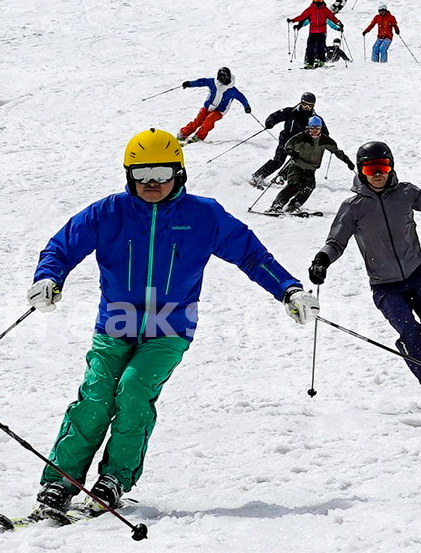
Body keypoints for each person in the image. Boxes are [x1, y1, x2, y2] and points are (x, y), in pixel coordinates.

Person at [25, 131, 311, 513]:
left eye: (162, 172)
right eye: (142, 174)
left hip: (170, 328)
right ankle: (62, 480)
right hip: (115, 324)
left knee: (133, 390)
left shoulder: (203, 215)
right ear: (129, 176)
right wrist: (48, 277)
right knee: (96, 395)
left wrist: (288, 290)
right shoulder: (108, 213)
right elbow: (61, 247)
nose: (152, 183)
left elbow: (251, 255)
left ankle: (115, 477)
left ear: (180, 172)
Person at [308, 142, 421, 412]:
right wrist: (322, 260)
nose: (377, 173)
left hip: (419, 274)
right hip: (385, 287)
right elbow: (336, 242)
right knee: (409, 333)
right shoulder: (353, 207)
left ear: (391, 167)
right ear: (361, 170)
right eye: (370, 168)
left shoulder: (406, 193)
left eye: (382, 167)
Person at [266, 116, 354, 216]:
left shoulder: (325, 140)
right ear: (308, 128)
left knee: (309, 187)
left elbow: (337, 151)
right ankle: (276, 206)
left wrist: (347, 161)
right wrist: (292, 153)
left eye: (317, 128)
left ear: (321, 129)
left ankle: (294, 206)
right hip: (296, 165)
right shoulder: (301, 137)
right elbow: (288, 145)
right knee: (294, 186)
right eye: (312, 128)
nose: (314, 131)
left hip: (310, 168)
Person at [251, 90, 330, 185]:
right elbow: (277, 115)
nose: (307, 107)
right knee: (278, 160)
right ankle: (258, 176)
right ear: (301, 102)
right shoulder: (292, 111)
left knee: (296, 161)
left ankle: (281, 177)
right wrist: (270, 121)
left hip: (300, 144)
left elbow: (324, 131)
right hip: (286, 139)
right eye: (304, 104)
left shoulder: (314, 119)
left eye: (310, 105)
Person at [178, 65, 253, 143]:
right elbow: (201, 82)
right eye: (222, 79)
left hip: (219, 111)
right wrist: (189, 84)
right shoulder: (213, 82)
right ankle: (183, 133)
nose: (224, 81)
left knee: (209, 120)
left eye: (226, 78)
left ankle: (198, 136)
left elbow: (241, 98)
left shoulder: (232, 90)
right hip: (208, 106)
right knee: (198, 121)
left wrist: (246, 106)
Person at [289, 0, 345, 69]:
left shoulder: (325, 9)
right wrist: (293, 20)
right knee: (310, 47)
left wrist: (339, 23)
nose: (318, 2)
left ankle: (321, 61)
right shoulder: (311, 9)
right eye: (316, 0)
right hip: (313, 30)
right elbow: (302, 16)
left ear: (323, 0)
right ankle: (309, 62)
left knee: (320, 46)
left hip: (322, 31)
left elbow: (332, 17)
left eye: (320, 0)